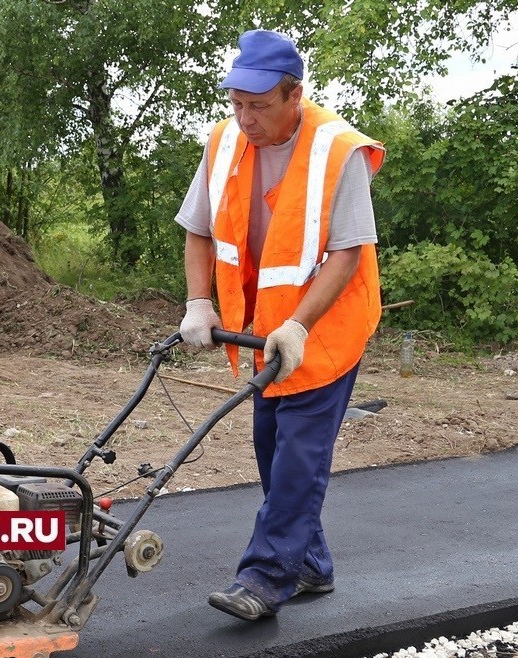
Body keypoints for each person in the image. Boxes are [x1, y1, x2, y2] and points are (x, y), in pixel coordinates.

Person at [175, 29, 385, 621]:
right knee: (271, 450)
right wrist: (199, 303)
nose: (245, 118)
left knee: (297, 455)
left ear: (294, 95)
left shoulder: (336, 150)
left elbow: (346, 253)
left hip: (326, 330)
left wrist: (297, 324)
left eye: (259, 106)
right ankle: (311, 564)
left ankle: (266, 577)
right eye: (236, 104)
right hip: (262, 333)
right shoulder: (224, 141)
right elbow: (199, 229)